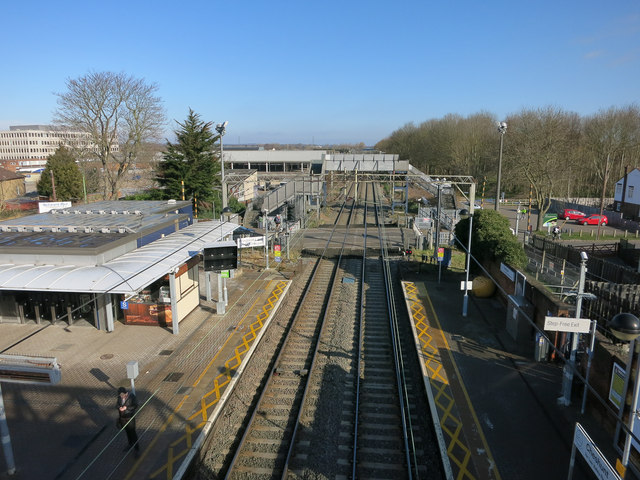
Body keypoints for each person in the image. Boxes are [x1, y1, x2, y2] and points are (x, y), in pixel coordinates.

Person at [117, 386, 140, 455]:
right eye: (121, 395)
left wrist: (126, 408)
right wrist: (119, 408)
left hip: (130, 418)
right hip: (123, 418)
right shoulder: (119, 398)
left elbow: (135, 406)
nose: (122, 397)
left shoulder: (132, 397)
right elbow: (117, 405)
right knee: (127, 432)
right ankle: (130, 444)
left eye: (123, 395)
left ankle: (137, 449)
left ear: (126, 393)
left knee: (133, 433)